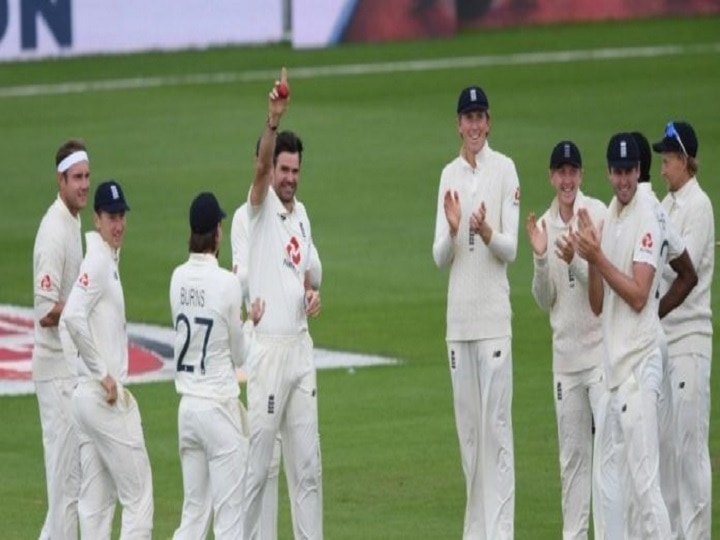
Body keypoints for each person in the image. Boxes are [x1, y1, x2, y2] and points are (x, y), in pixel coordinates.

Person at [432, 84, 520, 539]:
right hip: (458, 325)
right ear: (458, 124)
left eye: (480, 117)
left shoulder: (505, 170)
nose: (474, 125)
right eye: (467, 118)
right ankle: (476, 531)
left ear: (489, 122)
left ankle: (500, 532)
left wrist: (485, 230)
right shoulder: (447, 175)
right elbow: (439, 257)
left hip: (493, 323)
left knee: (496, 429)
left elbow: (511, 249)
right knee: (469, 436)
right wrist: (452, 231)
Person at [573, 133, 671, 538]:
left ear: (638, 171)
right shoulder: (609, 216)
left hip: (639, 365)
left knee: (646, 486)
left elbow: (637, 293)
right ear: (609, 172)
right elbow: (597, 304)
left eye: (629, 171)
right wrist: (592, 257)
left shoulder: (646, 214)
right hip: (613, 371)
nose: (623, 180)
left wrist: (598, 257)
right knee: (611, 483)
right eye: (617, 171)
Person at [242, 68, 323, 540]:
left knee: (309, 466)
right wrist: (272, 122)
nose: (289, 178)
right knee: (258, 468)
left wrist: (312, 294)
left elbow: (304, 273)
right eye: (283, 169)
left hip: (301, 349)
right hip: (269, 352)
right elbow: (257, 174)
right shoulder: (258, 209)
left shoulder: (302, 214)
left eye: (295, 171)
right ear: (271, 169)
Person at [63, 180, 154, 539]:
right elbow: (72, 315)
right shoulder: (99, 260)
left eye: (121, 216)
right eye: (111, 217)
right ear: (97, 220)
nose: (118, 225)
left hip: (86, 402)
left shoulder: (106, 258)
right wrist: (103, 373)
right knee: (139, 498)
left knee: (96, 507)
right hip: (101, 398)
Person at [170, 192, 264, 539]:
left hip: (187, 410)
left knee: (193, 517)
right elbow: (241, 356)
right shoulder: (227, 284)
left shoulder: (176, 278)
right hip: (218, 411)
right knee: (229, 521)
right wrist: (251, 321)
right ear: (218, 232)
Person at [526, 140, 606, 540]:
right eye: (561, 172)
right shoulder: (543, 225)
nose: (567, 179)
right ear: (551, 177)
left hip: (601, 358)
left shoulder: (598, 216)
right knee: (572, 463)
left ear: (581, 175)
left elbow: (602, 292)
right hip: (566, 362)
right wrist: (541, 259)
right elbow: (545, 301)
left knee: (608, 458)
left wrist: (576, 257)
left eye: (573, 171)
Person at [653, 121, 714, 539]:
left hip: (690, 338)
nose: (662, 168)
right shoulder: (666, 204)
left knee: (690, 451)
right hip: (664, 343)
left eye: (668, 159)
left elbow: (684, 275)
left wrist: (649, 312)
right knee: (666, 453)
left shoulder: (699, 206)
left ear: (685, 160)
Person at [32, 139, 89, 540]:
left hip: (69, 372)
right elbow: (44, 311)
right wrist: (82, 310)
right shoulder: (54, 231)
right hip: (55, 375)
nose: (84, 185)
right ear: (60, 179)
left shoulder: (73, 221)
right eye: (77, 178)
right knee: (66, 485)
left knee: (71, 484)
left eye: (87, 176)